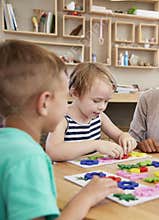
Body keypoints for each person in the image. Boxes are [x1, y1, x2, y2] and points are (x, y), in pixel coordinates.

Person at [0, 40, 121, 219]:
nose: (67, 106)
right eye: (65, 98)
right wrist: (86, 197)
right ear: (44, 103)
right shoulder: (29, 158)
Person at [46, 62, 137, 161]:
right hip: (64, 173)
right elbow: (53, 152)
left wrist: (125, 137)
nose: (102, 107)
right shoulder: (62, 118)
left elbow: (119, 135)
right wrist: (96, 144)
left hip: (90, 173)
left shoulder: (100, 117)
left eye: (106, 101)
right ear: (75, 93)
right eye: (96, 101)